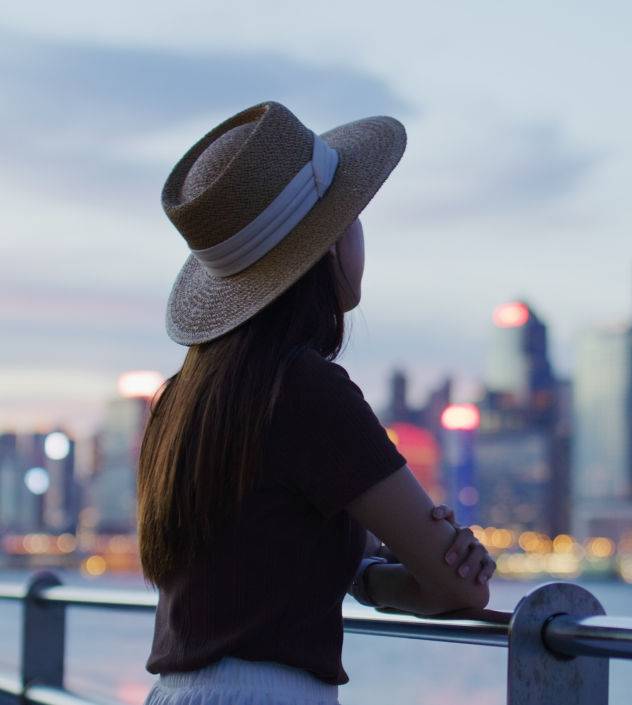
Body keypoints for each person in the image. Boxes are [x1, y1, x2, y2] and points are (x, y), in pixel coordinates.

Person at [138, 101, 497, 705]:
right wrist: (439, 566)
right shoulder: (308, 392)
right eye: (352, 220)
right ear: (327, 246)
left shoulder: (182, 400)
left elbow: (269, 554)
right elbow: (454, 588)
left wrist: (363, 569)